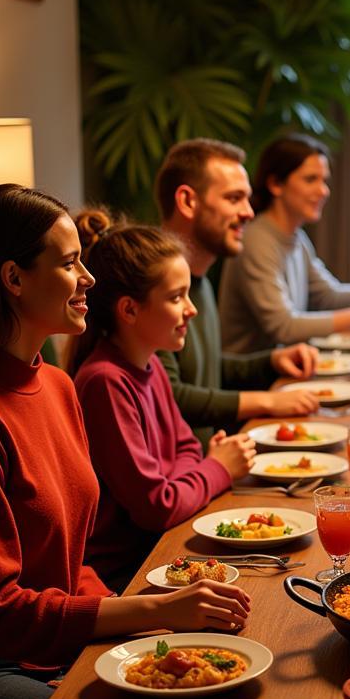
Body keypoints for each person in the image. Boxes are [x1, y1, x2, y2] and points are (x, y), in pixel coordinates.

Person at [0, 185, 251, 699]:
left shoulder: (55, 385)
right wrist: (144, 612)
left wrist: (149, 620)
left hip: (42, 648)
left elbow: (71, 561)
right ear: (13, 278)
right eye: (68, 262)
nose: (89, 278)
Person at [71, 212, 256, 591]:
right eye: (176, 297)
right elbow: (156, 506)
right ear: (130, 310)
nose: (192, 309)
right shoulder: (105, 382)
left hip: (163, 547)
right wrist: (217, 469)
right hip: (127, 573)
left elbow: (186, 446)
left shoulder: (150, 362)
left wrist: (194, 474)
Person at [155, 138, 320, 445]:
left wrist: (271, 361)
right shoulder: (152, 287)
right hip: (190, 478)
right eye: (234, 199)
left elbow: (207, 369)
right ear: (188, 201)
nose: (247, 212)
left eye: (246, 199)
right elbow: (170, 394)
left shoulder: (199, 279)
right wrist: (267, 401)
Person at [218, 134, 350, 351]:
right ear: (276, 184)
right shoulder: (256, 240)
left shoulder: (296, 237)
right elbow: (284, 327)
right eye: (310, 179)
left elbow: (328, 295)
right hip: (254, 380)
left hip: (288, 371)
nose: (323, 191)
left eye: (324, 180)